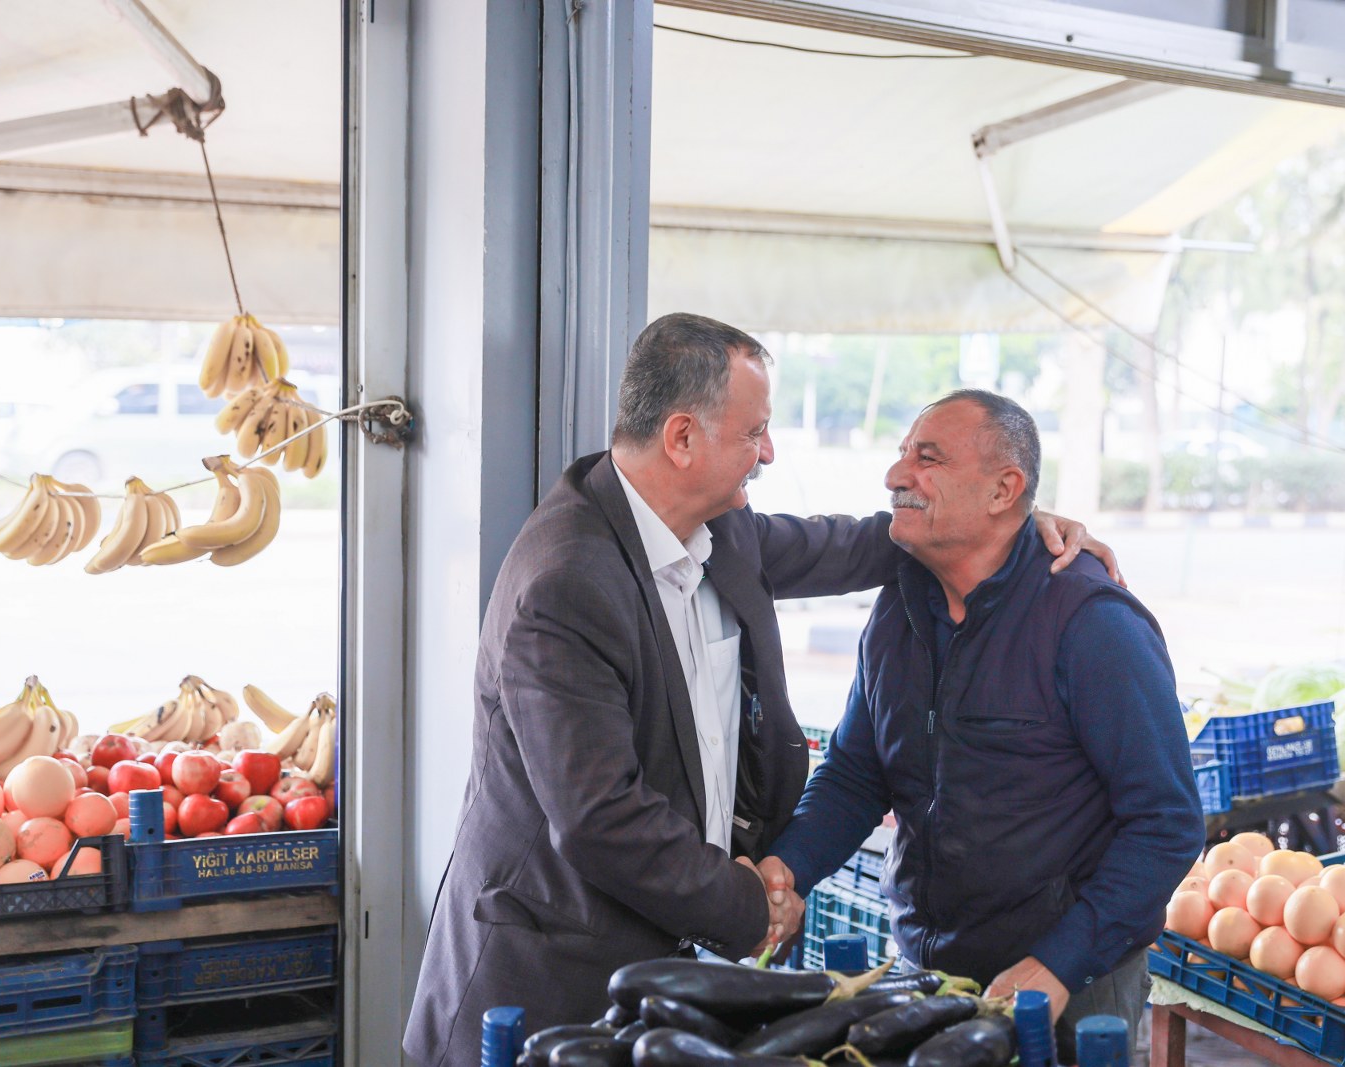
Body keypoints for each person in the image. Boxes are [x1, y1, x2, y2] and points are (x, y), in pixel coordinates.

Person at [402, 315, 1119, 1066]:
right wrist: (750, 908)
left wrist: (1005, 519)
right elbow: (599, 816)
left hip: (656, 969)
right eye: (754, 433)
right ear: (682, 438)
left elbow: (857, 543)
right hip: (543, 980)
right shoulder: (566, 583)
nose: (769, 452)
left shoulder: (719, 531)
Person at [758, 390, 1205, 1063]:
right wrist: (787, 868)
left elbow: (1167, 823)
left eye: (928, 458)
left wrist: (1059, 963)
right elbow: (857, 773)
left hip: (1070, 983)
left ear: (1004, 489)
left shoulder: (1092, 622)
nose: (896, 475)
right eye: (903, 453)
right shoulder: (898, 605)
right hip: (927, 968)